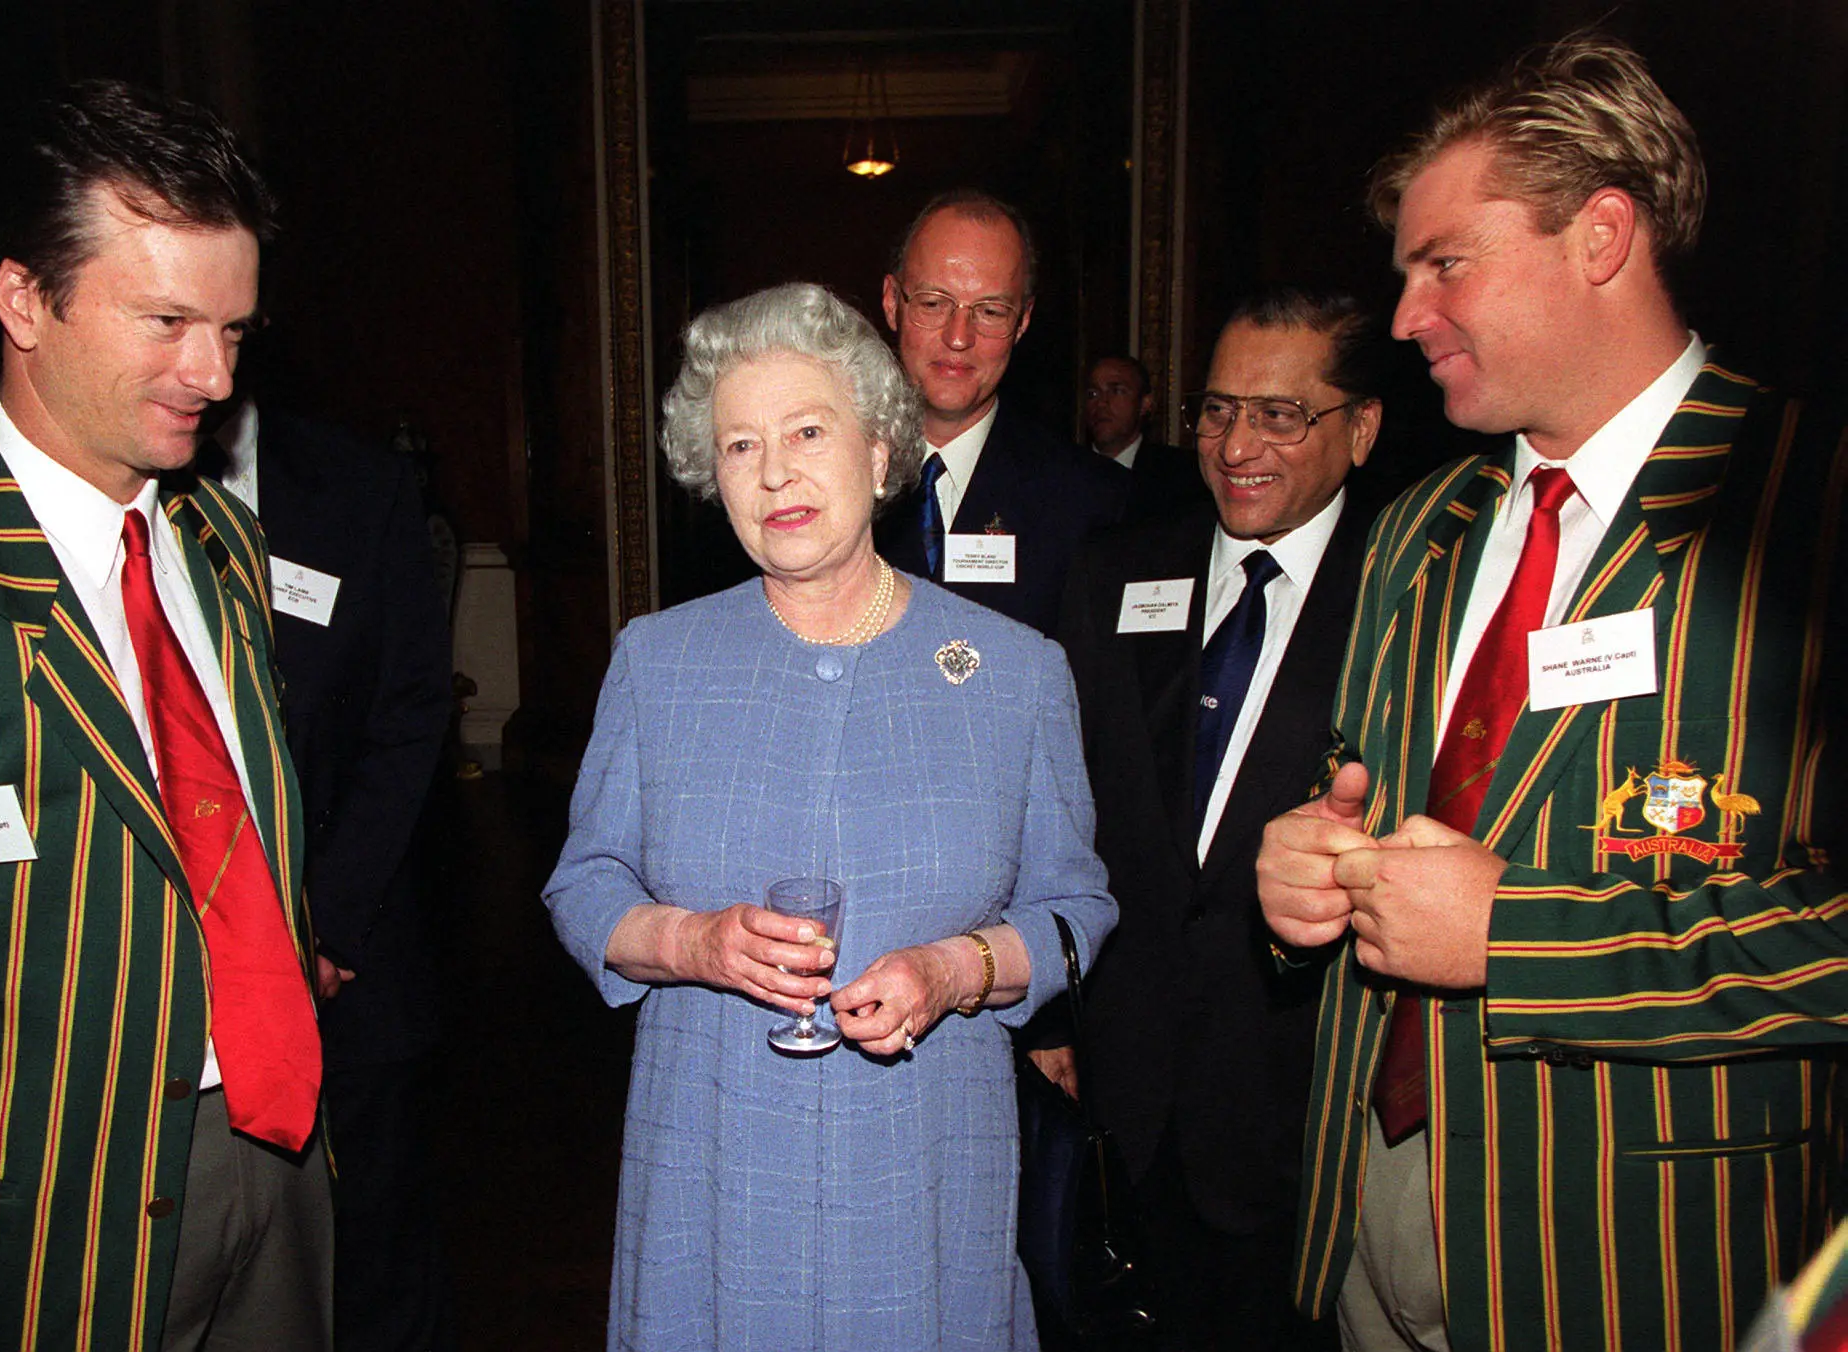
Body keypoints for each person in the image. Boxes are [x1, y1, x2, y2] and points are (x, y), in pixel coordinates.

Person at [1256, 34, 1848, 1351]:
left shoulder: (1805, 503)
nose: (1404, 318)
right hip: (1373, 1230)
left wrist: (1521, 941)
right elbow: (1369, 793)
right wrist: (1305, 870)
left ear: (1600, 236)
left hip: (1644, 1268)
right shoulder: (1419, 524)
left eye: (1443, 264)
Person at [0, 80, 330, 1349]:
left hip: (278, 1161)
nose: (213, 373)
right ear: (24, 302)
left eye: (233, 328)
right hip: (27, 1217)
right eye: (167, 319)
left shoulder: (219, 538)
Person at [544, 281, 1117, 1350]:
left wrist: (955, 970)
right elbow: (585, 884)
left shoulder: (1014, 672)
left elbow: (1077, 910)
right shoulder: (657, 661)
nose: (775, 471)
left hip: (927, 1164)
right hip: (711, 1159)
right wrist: (693, 939)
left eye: (809, 429)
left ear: (880, 449)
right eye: (739, 445)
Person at [1051, 289, 1386, 1351]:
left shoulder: (1406, 594)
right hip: (1125, 1094)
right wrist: (1054, 1017)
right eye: (1216, 408)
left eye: (1280, 414)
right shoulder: (1115, 571)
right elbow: (1064, 809)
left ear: (1361, 428)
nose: (1236, 444)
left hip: (1301, 1114)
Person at [200, 396, 457, 1351]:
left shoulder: (359, 484)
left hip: (348, 955)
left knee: (375, 1251)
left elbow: (410, 711)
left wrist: (329, 926)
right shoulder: (118, 484)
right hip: (160, 979)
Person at [874, 191, 1127, 637]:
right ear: (894, 302)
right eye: (934, 303)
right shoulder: (824, 483)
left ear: (1023, 321)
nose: (958, 337)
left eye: (990, 311)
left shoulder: (1093, 503)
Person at [1084, 352, 1202, 524]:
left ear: (1145, 404)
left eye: (1116, 391)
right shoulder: (1062, 475)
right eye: (1093, 394)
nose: (1101, 403)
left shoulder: (1182, 476)